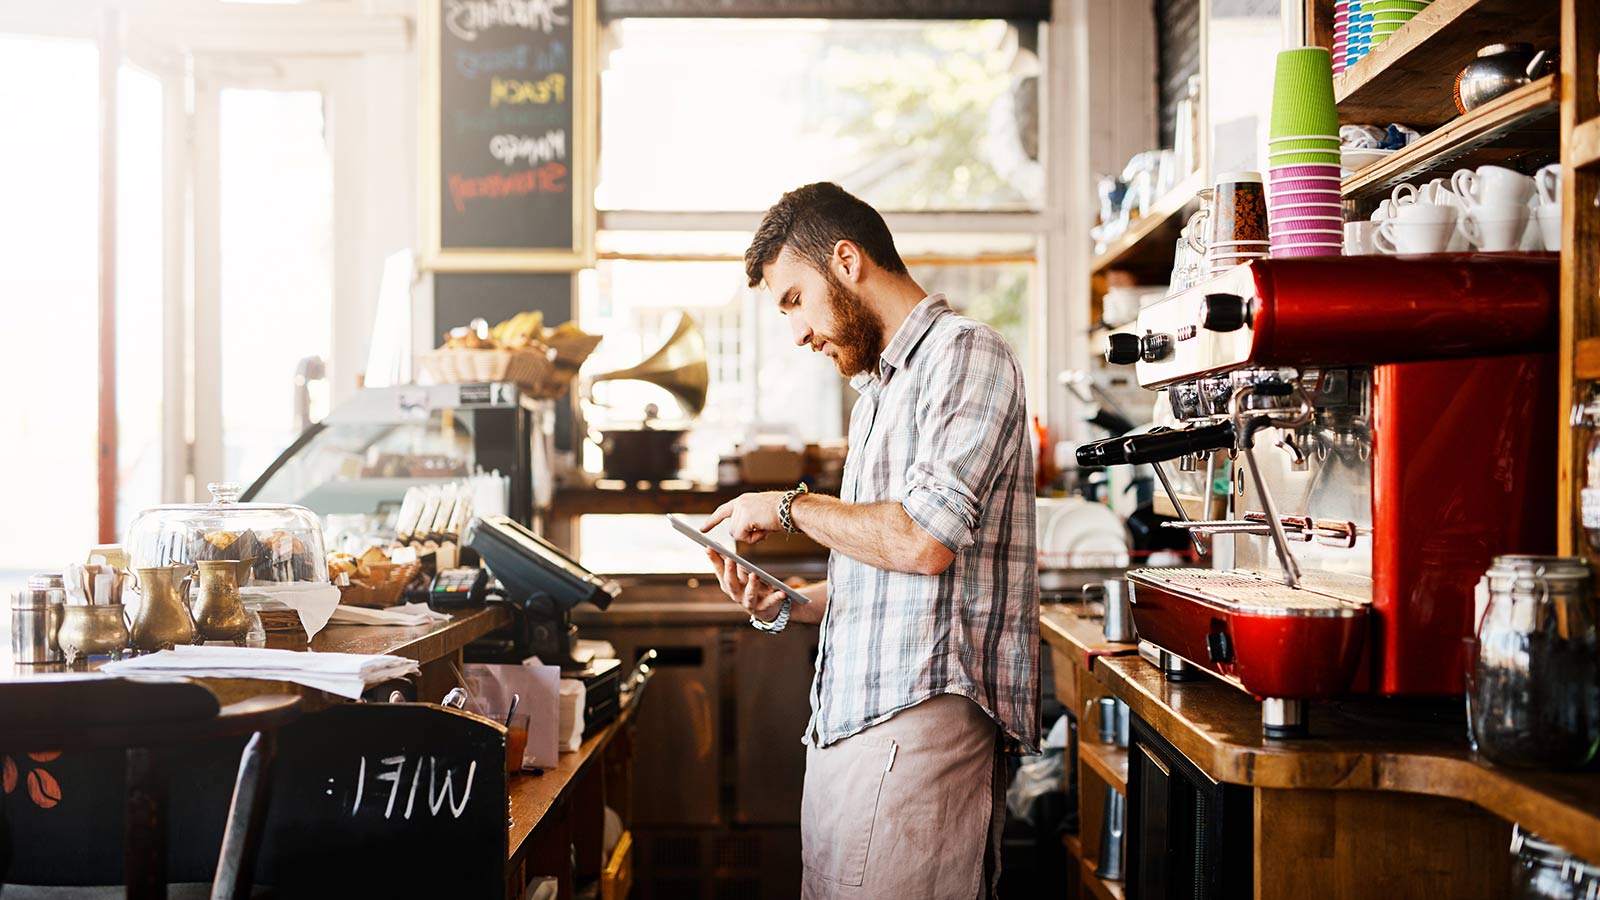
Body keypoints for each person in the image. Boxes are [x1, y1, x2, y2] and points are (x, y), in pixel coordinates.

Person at [701, 182, 1039, 900]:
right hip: (848, 728)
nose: (795, 333)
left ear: (847, 261)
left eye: (794, 299)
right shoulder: (879, 395)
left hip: (916, 728)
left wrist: (788, 505)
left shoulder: (966, 353)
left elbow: (923, 541)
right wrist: (792, 599)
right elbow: (894, 577)